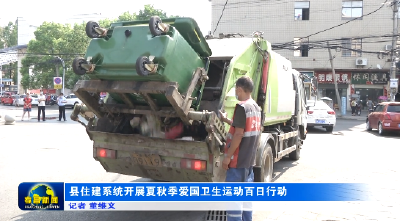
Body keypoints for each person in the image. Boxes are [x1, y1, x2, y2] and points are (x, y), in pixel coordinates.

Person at [219, 76, 262, 221]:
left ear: (239, 89)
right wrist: (226, 120)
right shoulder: (256, 108)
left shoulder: (242, 107)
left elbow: (238, 134)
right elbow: (244, 128)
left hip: (237, 163)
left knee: (233, 201)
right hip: (249, 162)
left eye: (236, 91)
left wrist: (227, 157)